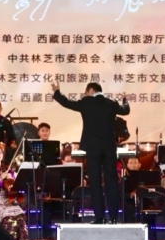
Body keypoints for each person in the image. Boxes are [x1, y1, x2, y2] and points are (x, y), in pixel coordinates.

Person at [51, 81, 130, 224]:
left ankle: (100, 217)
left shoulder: (86, 102)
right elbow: (125, 110)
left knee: (95, 182)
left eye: (86, 92)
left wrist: (57, 92)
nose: (85, 94)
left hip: (92, 149)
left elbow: (67, 103)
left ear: (91, 90)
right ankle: (113, 217)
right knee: (111, 181)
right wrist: (124, 99)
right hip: (109, 148)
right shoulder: (111, 103)